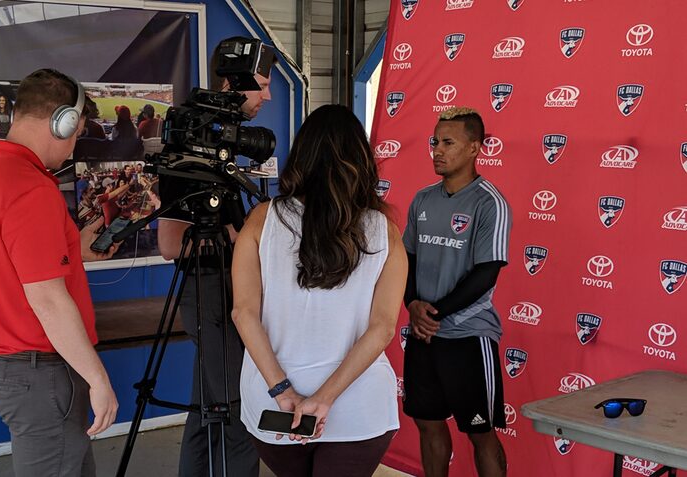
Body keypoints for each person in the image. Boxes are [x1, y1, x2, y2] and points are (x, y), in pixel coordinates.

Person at [0, 68, 120, 477]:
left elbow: (13, 265)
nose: (72, 149)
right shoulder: (32, 189)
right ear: (62, 122)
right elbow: (47, 300)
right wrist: (98, 380)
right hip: (41, 373)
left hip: (13, 367)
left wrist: (74, 249)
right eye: (78, 132)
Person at [231, 104, 406, 476]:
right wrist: (324, 400)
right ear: (361, 158)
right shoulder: (384, 229)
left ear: (301, 155)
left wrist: (283, 392)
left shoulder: (263, 218)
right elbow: (383, 328)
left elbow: (243, 313)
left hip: (272, 401)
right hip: (357, 402)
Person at [157, 36, 275, 477]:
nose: (267, 96)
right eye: (260, 85)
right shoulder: (190, 150)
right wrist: (241, 239)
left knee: (203, 411)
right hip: (209, 292)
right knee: (238, 411)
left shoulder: (220, 146)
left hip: (229, 293)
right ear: (230, 82)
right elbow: (171, 243)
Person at [402, 107, 512, 477]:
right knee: (428, 425)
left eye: (448, 142)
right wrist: (413, 306)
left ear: (474, 148)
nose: (437, 150)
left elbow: (487, 272)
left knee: (480, 432)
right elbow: (408, 260)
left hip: (467, 335)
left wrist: (434, 314)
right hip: (423, 334)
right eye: (435, 142)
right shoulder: (422, 200)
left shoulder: (489, 203)